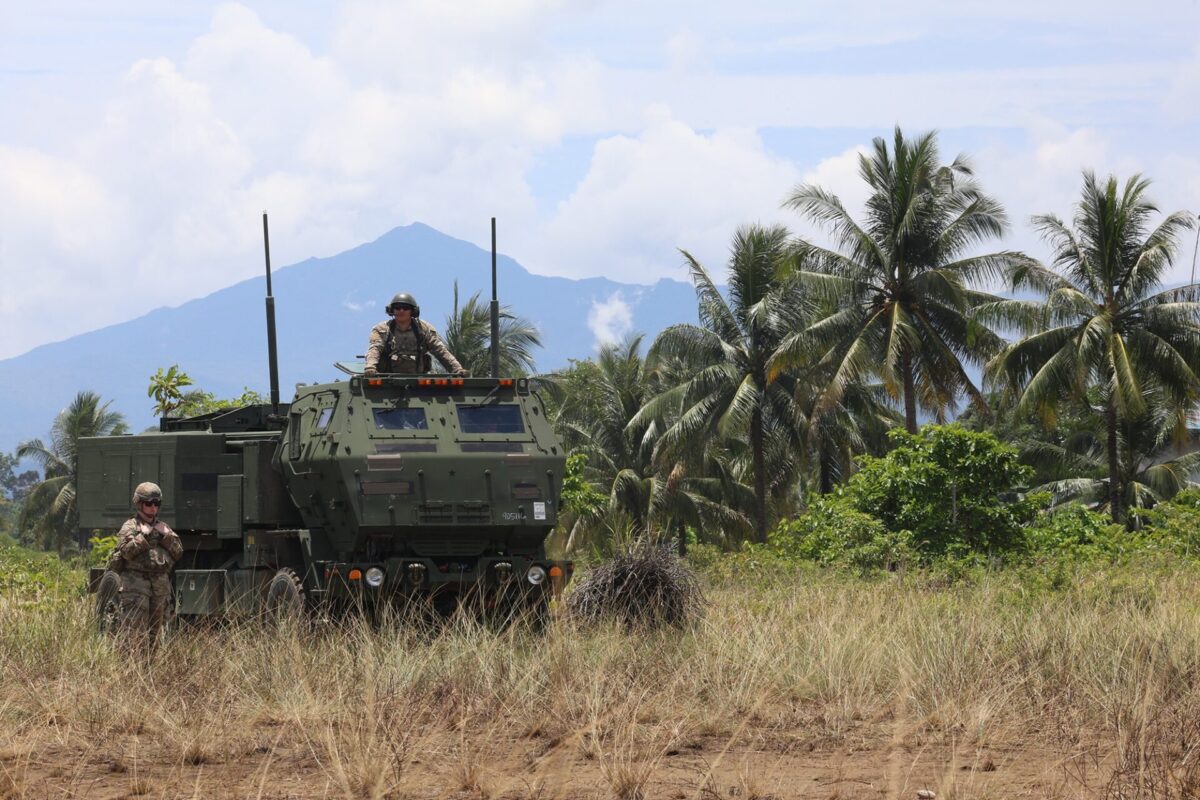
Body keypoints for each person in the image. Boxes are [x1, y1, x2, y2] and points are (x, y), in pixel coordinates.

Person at [106, 482, 183, 649]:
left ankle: (151, 671)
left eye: (156, 504)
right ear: (139, 503)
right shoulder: (131, 526)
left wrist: (167, 537)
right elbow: (125, 552)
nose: (153, 507)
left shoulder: (163, 528)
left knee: (155, 634)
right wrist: (144, 537)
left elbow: (178, 553)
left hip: (160, 586)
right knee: (135, 633)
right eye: (148, 503)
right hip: (135, 584)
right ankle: (133, 671)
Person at [364, 292, 468, 376]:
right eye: (397, 307)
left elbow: (440, 350)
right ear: (391, 310)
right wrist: (370, 367)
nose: (401, 310)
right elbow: (375, 349)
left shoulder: (424, 329)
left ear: (413, 311)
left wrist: (457, 369)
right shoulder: (382, 329)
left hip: (418, 381)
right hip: (387, 379)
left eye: (405, 308)